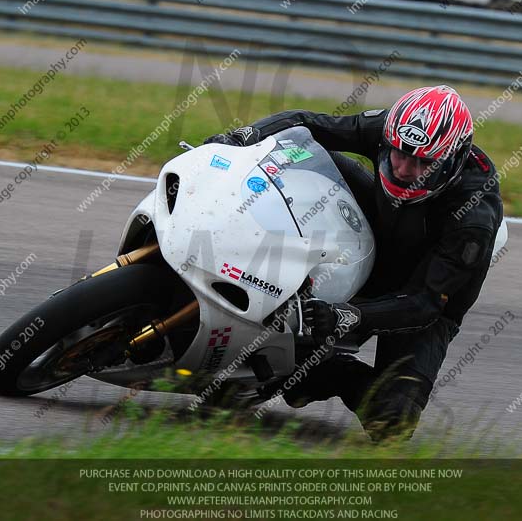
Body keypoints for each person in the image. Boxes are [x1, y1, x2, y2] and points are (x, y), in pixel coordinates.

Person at [205, 85, 503, 441]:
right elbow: (308, 125)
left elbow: (424, 303)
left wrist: (350, 315)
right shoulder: (391, 132)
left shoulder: (473, 218)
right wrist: (241, 138)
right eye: (398, 154)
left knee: (391, 421)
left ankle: (336, 372)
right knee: (305, 155)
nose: (405, 169)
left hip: (422, 304)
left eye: (422, 163)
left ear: (451, 162)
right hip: (379, 238)